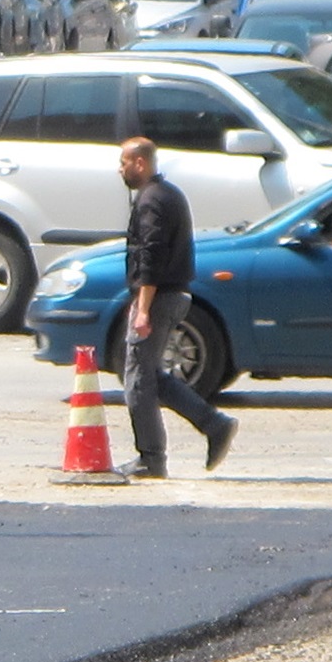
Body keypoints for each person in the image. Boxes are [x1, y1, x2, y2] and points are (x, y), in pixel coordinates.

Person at [119, 136, 238, 481]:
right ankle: (214, 424)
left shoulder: (152, 200)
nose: (120, 169)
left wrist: (142, 308)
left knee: (138, 380)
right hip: (173, 295)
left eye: (124, 162)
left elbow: (151, 256)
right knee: (152, 375)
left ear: (140, 163)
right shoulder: (167, 194)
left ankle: (151, 458)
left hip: (159, 298)